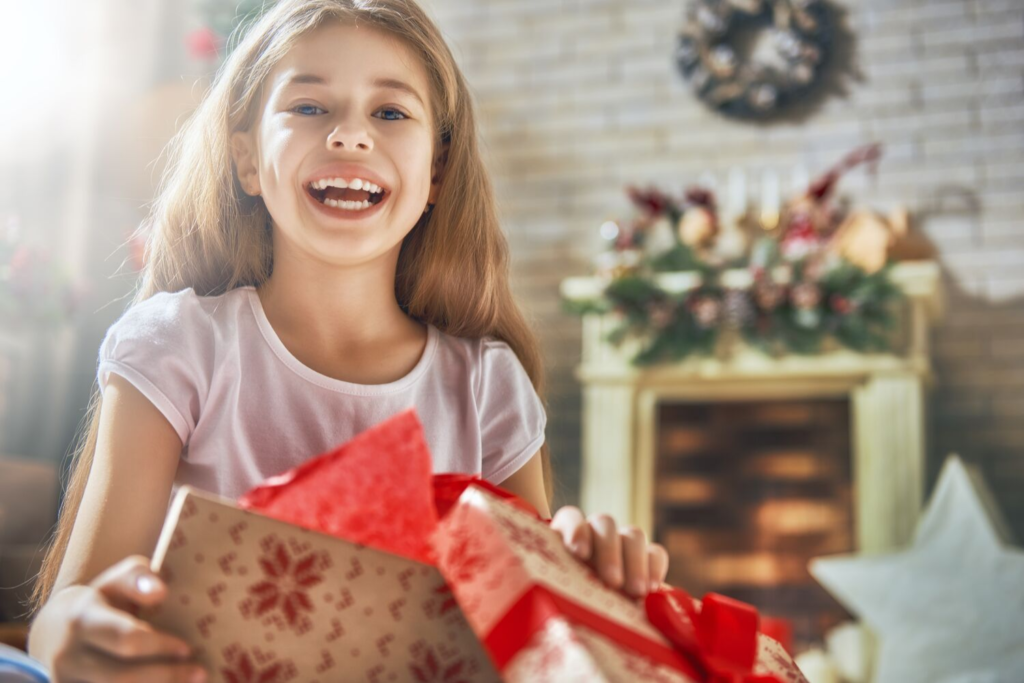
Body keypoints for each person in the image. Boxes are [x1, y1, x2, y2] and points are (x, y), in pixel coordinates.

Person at [26, 1, 670, 679]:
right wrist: (69, 630)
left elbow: (528, 645)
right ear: (246, 159)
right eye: (309, 107)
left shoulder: (488, 386)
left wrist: (586, 578)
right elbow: (68, 611)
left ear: (437, 173)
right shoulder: (177, 346)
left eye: (390, 113)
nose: (349, 136)